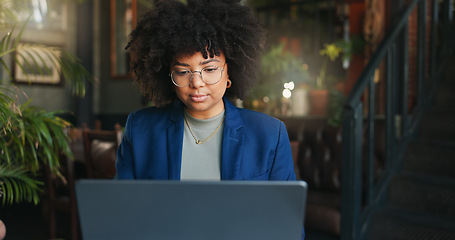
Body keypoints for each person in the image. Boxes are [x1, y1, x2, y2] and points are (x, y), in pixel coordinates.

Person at [115, 1, 303, 237]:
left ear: (230, 72)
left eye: (210, 69)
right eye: (183, 71)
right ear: (168, 75)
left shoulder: (269, 134)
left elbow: (288, 226)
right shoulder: (141, 129)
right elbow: (121, 215)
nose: (196, 82)